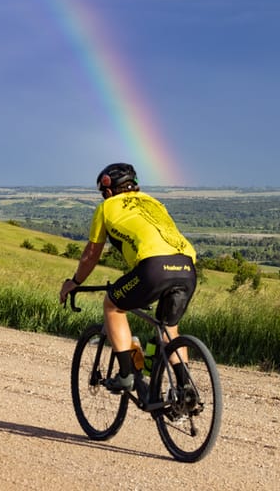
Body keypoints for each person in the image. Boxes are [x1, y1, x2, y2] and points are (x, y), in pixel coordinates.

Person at [59, 162, 197, 393]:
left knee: (113, 305)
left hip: (153, 267)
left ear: (109, 190)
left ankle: (125, 376)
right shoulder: (154, 202)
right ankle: (185, 390)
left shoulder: (107, 207)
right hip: (187, 267)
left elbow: (92, 254)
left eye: (104, 193)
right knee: (169, 329)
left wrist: (75, 282)